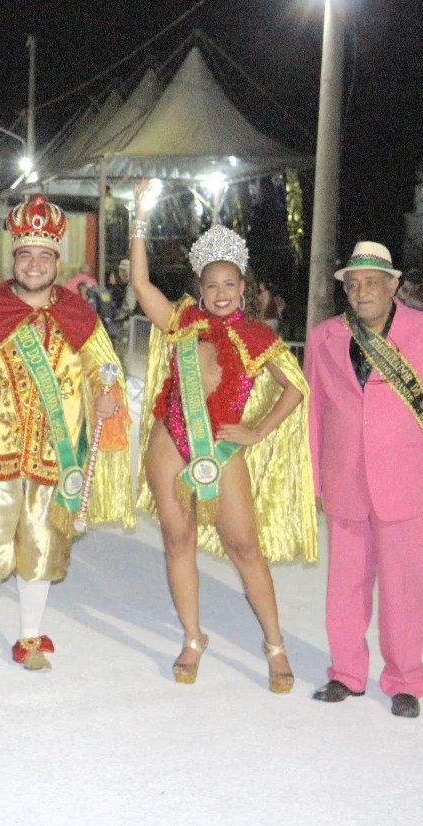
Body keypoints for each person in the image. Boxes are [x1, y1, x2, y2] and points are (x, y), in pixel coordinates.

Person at [0, 194, 134, 677]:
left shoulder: (80, 315)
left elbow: (105, 370)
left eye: (44, 255)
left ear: (59, 260)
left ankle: (29, 637)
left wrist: (107, 397)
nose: (34, 264)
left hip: (56, 455)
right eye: (26, 255)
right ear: (12, 260)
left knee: (42, 546)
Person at [129, 182, 316, 690]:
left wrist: (259, 429)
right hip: (170, 442)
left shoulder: (260, 336)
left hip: (224, 449)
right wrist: (140, 216)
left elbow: (295, 388)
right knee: (176, 540)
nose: (219, 293)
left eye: (228, 283)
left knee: (243, 547)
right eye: (210, 284)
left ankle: (274, 644)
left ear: (243, 285)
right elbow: (142, 284)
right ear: (200, 288)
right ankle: (193, 638)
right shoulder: (183, 321)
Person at [306, 241, 423, 719]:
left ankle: (404, 680)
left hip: (407, 483)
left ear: (393, 286)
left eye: (371, 282)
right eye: (353, 284)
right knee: (345, 585)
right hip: (345, 481)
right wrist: (312, 480)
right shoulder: (325, 336)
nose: (361, 292)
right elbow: (314, 413)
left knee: (403, 587)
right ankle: (347, 672)